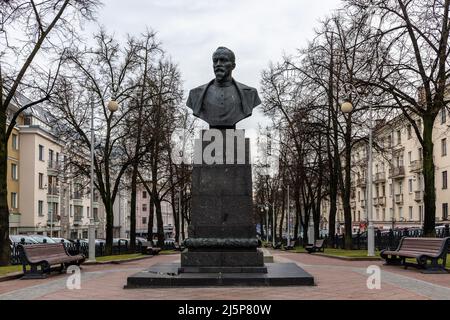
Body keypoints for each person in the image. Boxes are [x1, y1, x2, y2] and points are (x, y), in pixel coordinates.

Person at [186, 47, 261, 128]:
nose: (218, 64)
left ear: (233, 66)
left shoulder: (249, 93)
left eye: (223, 60)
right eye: (215, 61)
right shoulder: (196, 94)